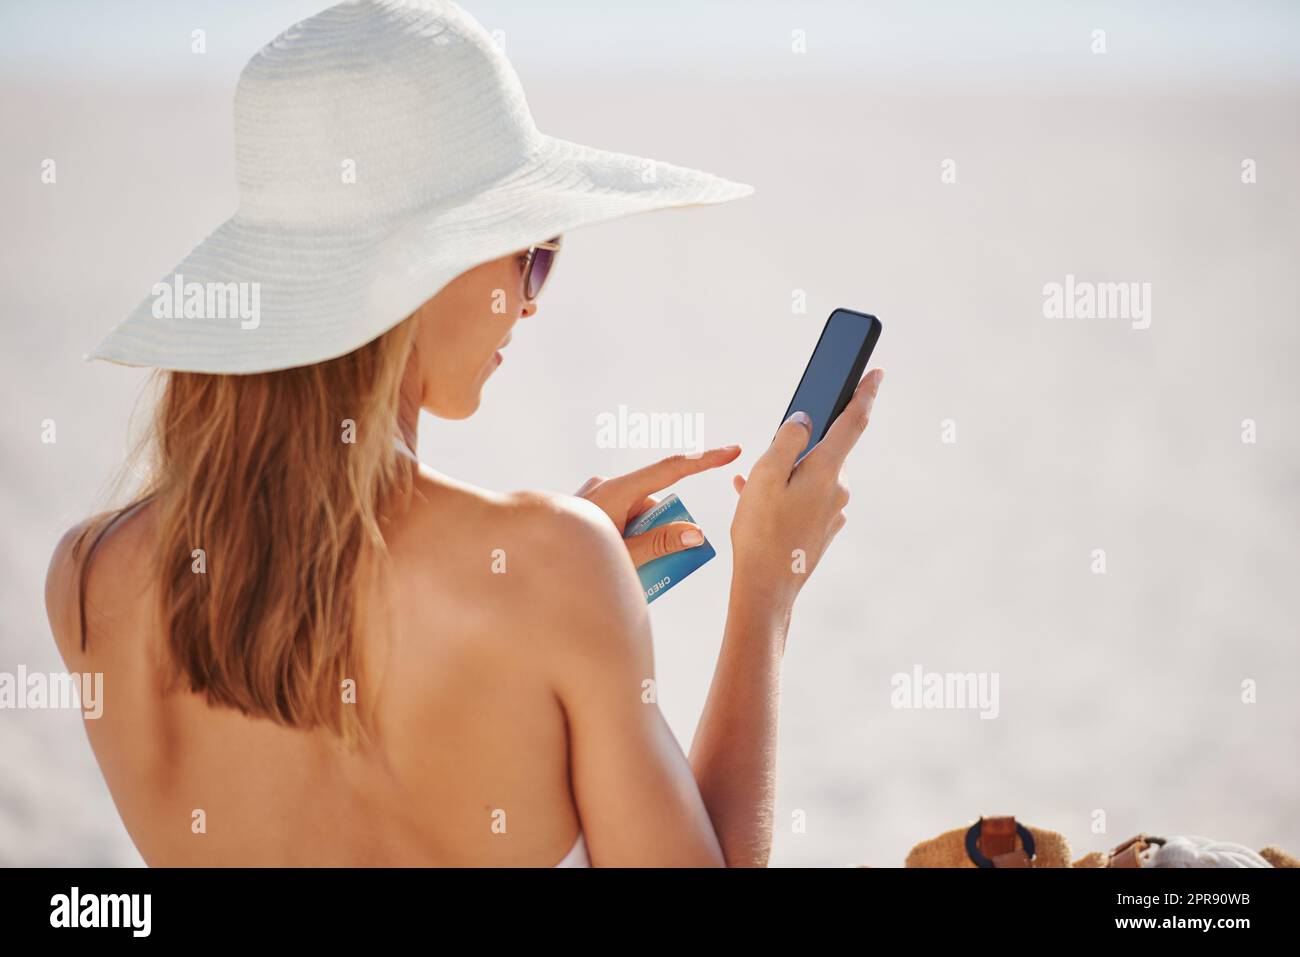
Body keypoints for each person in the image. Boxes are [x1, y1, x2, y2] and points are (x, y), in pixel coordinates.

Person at [44, 0, 884, 867]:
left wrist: (544, 579)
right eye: (534, 249)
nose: (528, 298)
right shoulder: (560, 568)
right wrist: (765, 591)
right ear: (424, 263)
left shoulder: (88, 581)